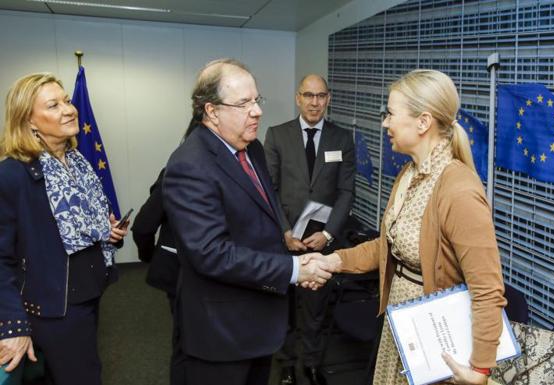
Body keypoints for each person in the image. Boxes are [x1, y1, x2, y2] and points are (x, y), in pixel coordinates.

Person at [305, 69, 507, 385]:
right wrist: (333, 261)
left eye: (391, 113)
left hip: (437, 343)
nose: (385, 122)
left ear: (423, 122)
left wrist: (480, 371)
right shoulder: (409, 174)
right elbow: (387, 245)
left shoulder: (459, 189)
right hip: (402, 324)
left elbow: (487, 289)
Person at [161, 58, 333, 385]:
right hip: (221, 332)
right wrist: (295, 271)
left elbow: (263, 215)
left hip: (259, 321)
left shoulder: (250, 147)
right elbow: (211, 253)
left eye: (256, 100)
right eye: (243, 103)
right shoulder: (190, 166)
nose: (256, 111)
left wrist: (294, 254)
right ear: (211, 111)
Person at [0, 73, 128, 385]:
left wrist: (106, 232)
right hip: (53, 305)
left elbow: (78, 227)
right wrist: (13, 324)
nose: (69, 109)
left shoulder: (76, 161)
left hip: (89, 290)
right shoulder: (12, 175)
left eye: (67, 101)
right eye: (53, 105)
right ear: (29, 121)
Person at [264, 74, 355, 385]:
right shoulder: (277, 136)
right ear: (297, 98)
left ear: (328, 98)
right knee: (286, 306)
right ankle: (287, 365)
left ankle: (312, 365)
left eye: (321, 96)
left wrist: (329, 233)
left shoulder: (342, 139)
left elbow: (345, 192)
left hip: (322, 242)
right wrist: (284, 231)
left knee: (316, 309)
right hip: (285, 240)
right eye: (308, 95)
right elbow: (270, 189)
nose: (315, 102)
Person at [132, 119, 198, 313]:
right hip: (229, 277)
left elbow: (143, 226)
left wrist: (149, 256)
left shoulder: (176, 170)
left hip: (182, 274)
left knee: (186, 335)